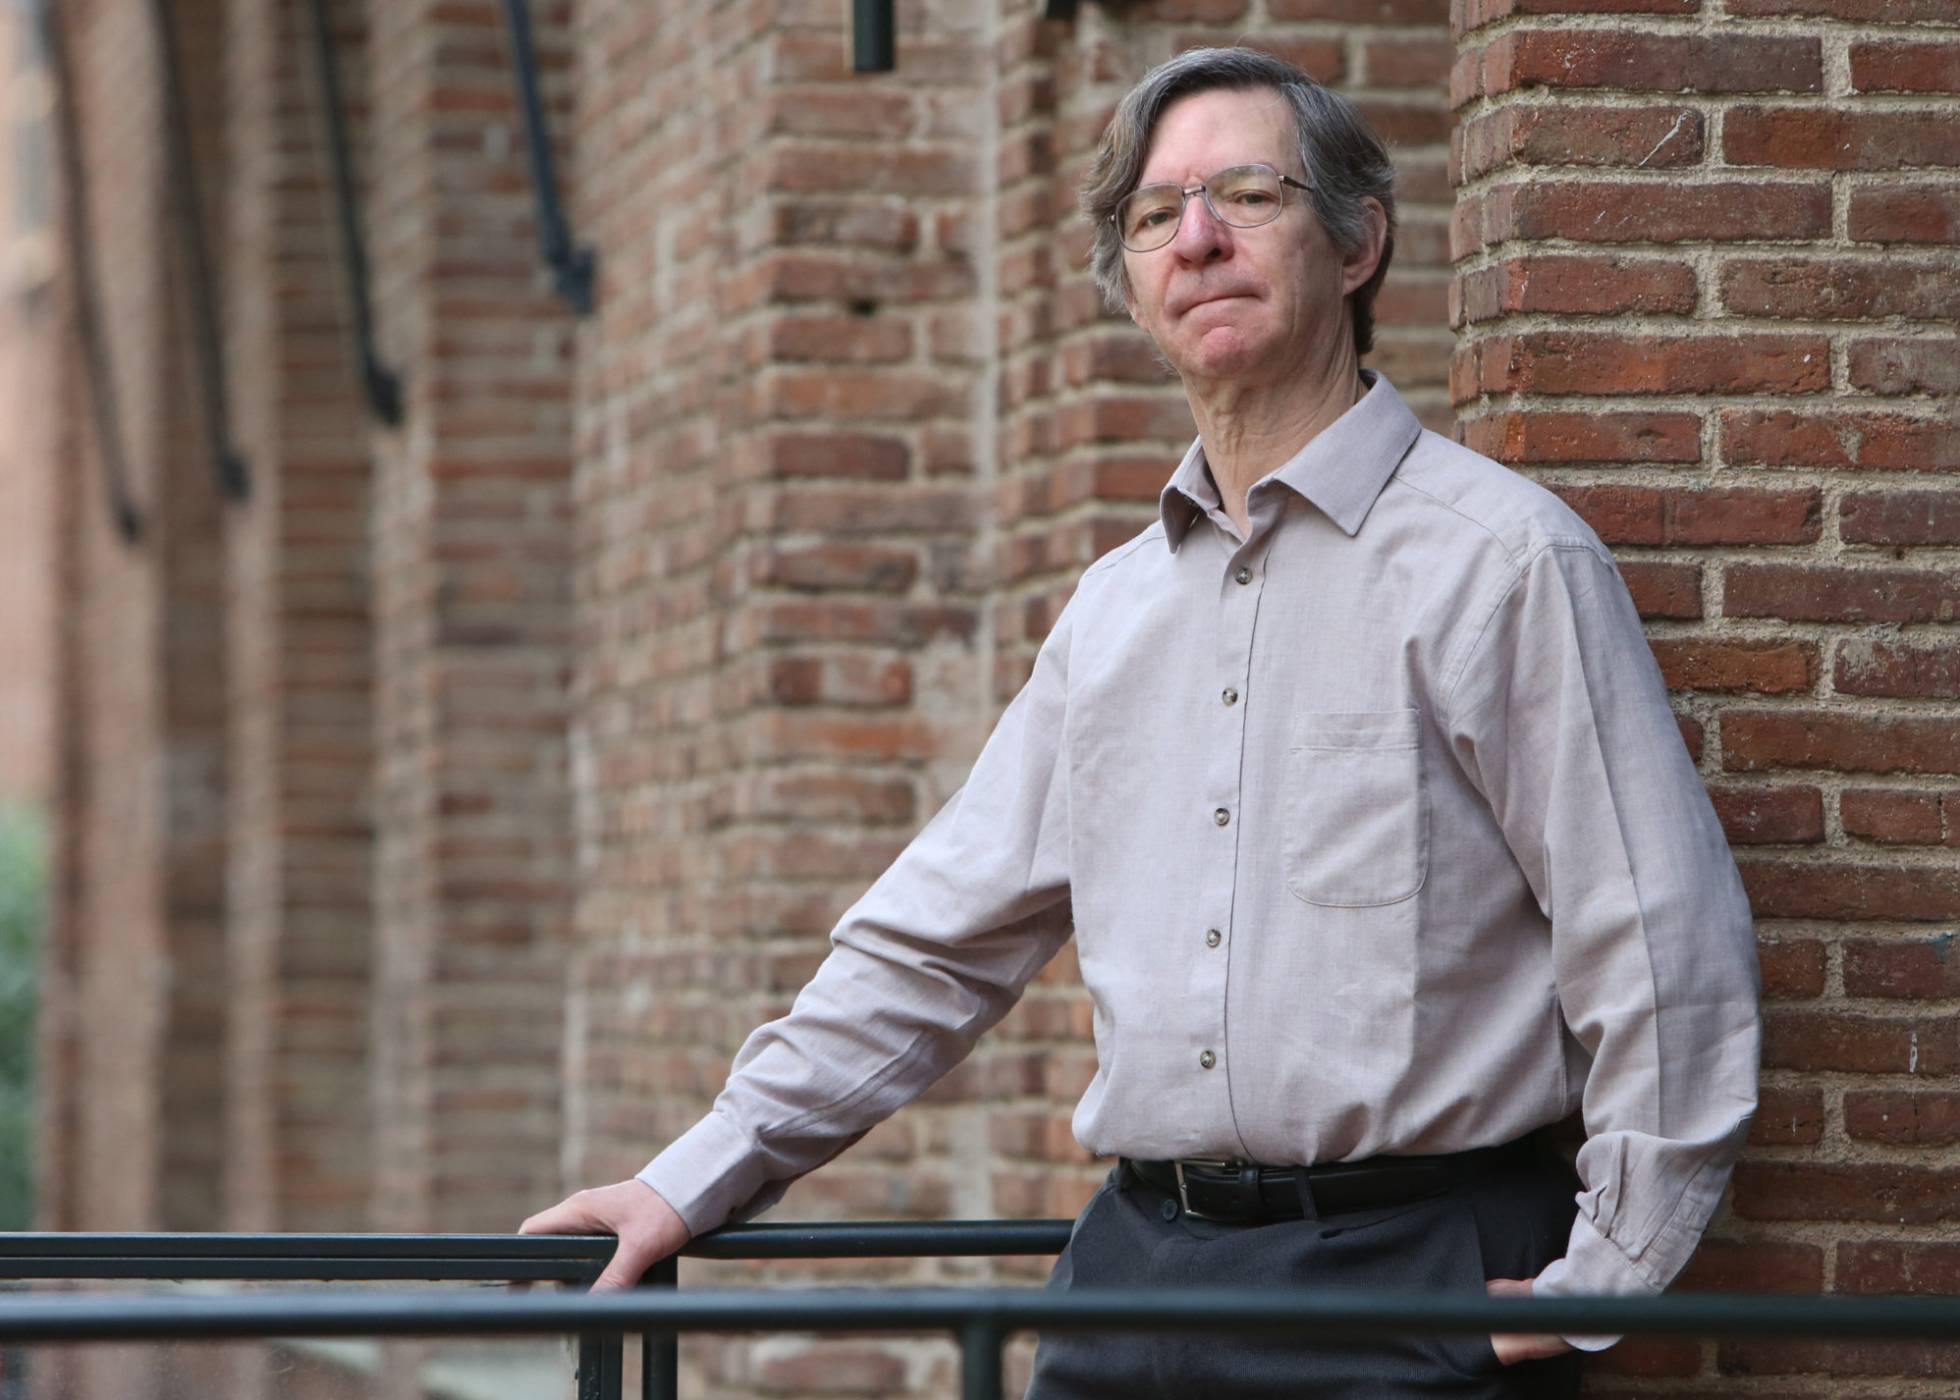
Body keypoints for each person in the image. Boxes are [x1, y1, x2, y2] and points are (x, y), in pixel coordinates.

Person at [522, 46, 1761, 1398]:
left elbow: (1658, 941)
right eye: (1157, 214)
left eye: (1249, 194)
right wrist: (691, 1178)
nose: (1200, 238)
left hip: (1410, 1280)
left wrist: (1609, 1271)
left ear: (1359, 245)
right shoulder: (1112, 615)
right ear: (1130, 280)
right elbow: (930, 945)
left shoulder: (1502, 564)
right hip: (1131, 1279)